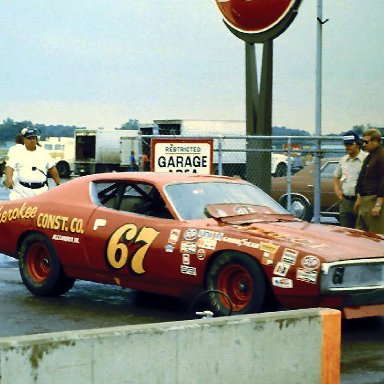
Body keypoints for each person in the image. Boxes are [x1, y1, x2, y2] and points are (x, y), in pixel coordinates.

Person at [4, 126, 61, 200]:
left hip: (41, 191)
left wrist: (58, 183)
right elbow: (9, 167)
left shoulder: (44, 152)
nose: (32, 140)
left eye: (33, 138)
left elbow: (52, 169)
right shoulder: (17, 152)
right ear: (24, 140)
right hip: (22, 192)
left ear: (36, 140)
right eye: (29, 138)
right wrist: (9, 179)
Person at [333, 130, 367, 228]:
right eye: (346, 145)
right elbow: (336, 176)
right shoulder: (344, 160)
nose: (347, 147)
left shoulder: (366, 158)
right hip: (346, 201)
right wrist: (337, 191)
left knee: (361, 232)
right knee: (346, 232)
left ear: (357, 144)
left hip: (362, 201)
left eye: (350, 144)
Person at [355, 128, 384, 234]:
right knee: (360, 234)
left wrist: (378, 205)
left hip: (374, 200)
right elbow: (362, 178)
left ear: (375, 141)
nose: (364, 144)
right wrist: (359, 198)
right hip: (364, 201)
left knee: (375, 237)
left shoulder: (381, 156)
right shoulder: (369, 157)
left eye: (366, 142)